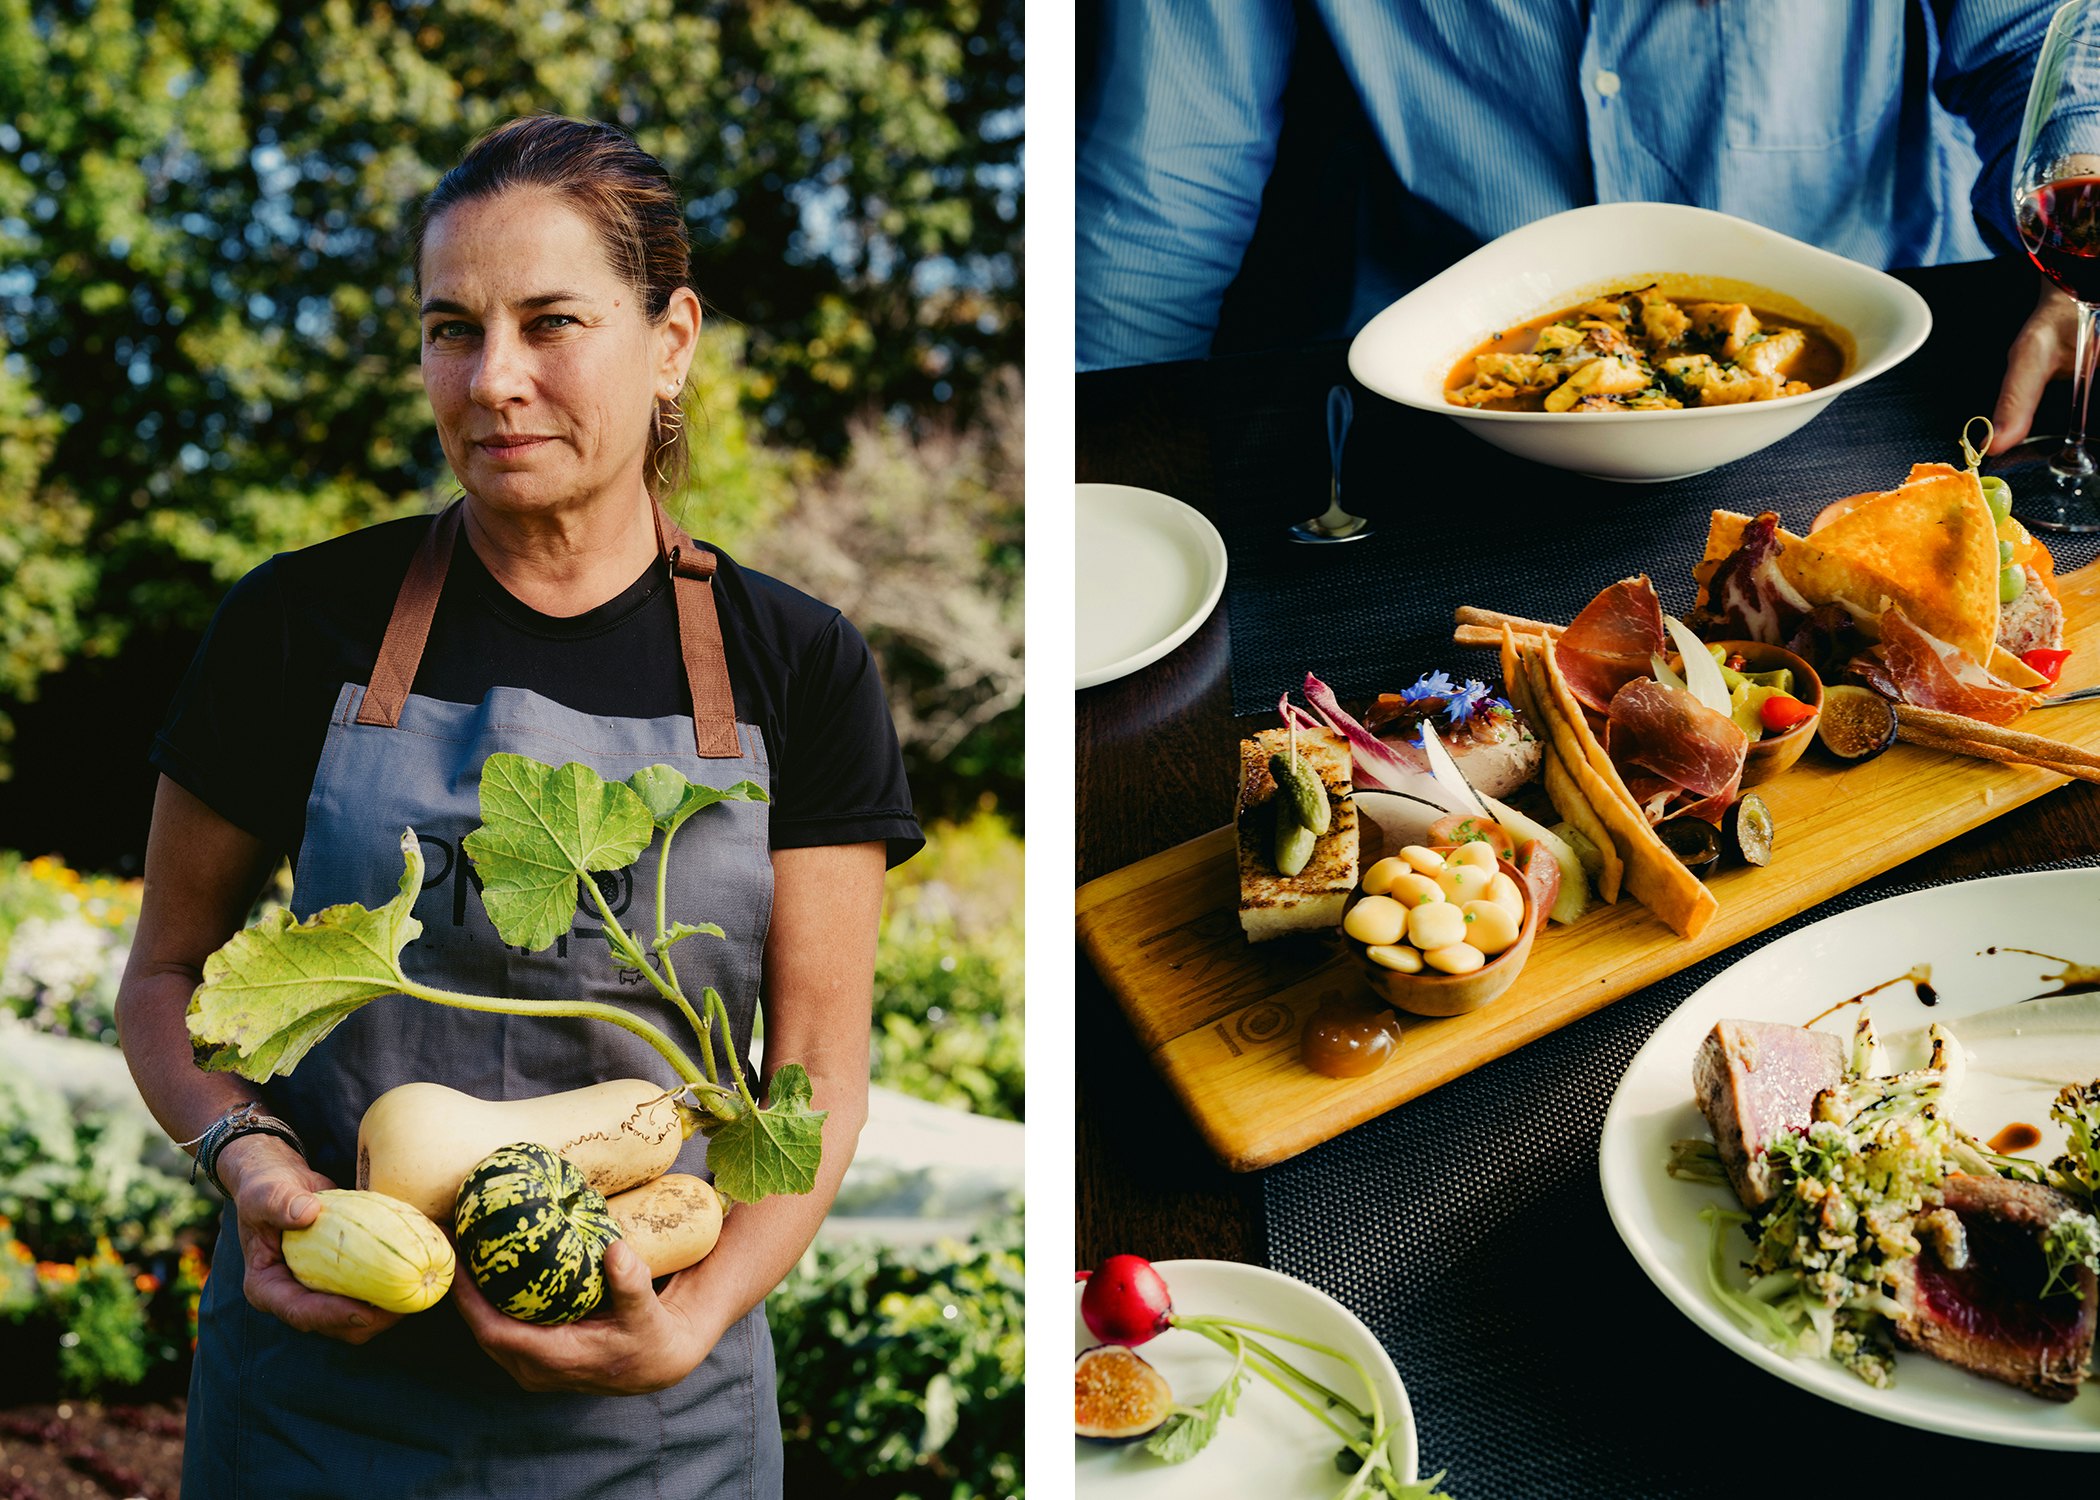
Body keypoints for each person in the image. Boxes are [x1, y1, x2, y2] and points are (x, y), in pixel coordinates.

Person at [113, 114, 923, 1497]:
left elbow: (816, 1080)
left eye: (551, 322)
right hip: (321, 1405)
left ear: (671, 340)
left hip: (658, 1426)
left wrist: (699, 1321)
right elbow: (165, 977)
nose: (492, 380)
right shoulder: (300, 623)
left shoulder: (799, 663)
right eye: (450, 329)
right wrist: (252, 1165)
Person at [1077, 0, 2075, 452]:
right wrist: (1088, 473)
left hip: (1875, 402)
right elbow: (1161, 187)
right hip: (1438, 434)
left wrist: (2082, 257)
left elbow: (2040, 44)